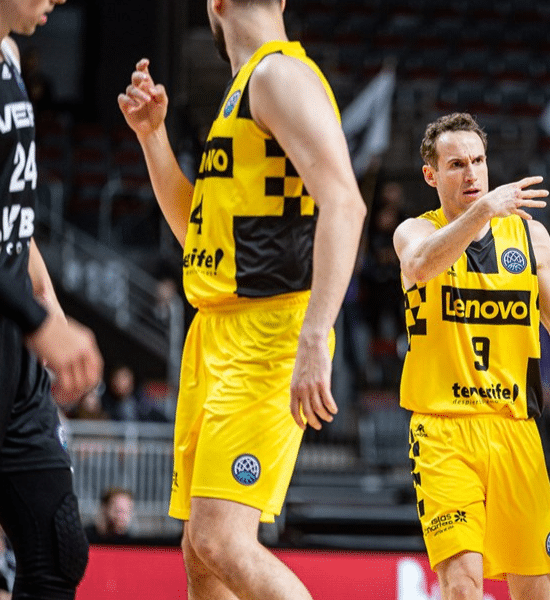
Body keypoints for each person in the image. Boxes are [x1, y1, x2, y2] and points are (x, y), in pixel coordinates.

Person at [117, 1, 366, 598]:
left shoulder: (279, 75)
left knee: (221, 541)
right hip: (218, 331)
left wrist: (314, 336)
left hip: (267, 329)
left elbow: (345, 204)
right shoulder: (246, 88)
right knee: (201, 551)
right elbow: (198, 234)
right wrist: (153, 138)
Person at [393, 113, 550, 600]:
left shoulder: (530, 238)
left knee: (536, 590)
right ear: (430, 175)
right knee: (462, 585)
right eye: (456, 164)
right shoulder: (415, 231)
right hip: (443, 431)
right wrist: (482, 213)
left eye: (478, 161)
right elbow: (420, 266)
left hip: (515, 429)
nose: (471, 173)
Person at [0, 1, 103, 598]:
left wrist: (51, 310)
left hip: (12, 341)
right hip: (6, 323)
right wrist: (36, 320)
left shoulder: (8, 55)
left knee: (57, 549)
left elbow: (11, 220)